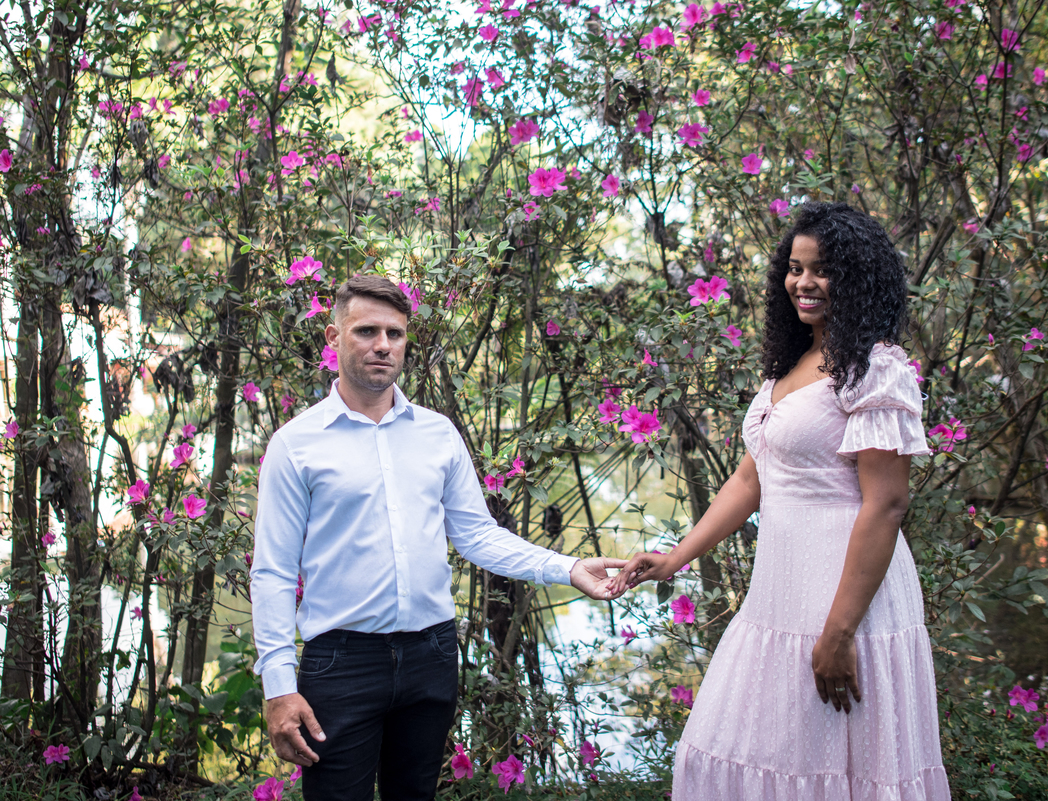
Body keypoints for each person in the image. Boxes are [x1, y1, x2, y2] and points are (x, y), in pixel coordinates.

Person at [610, 202, 952, 800]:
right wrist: (675, 558)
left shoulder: (875, 370)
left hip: (847, 596)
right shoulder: (791, 365)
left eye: (822, 270)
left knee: (835, 763)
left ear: (858, 277)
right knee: (730, 747)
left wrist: (840, 632)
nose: (804, 282)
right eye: (795, 268)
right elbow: (752, 480)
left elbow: (887, 506)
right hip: (780, 593)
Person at [250, 274, 624, 801]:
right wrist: (278, 687)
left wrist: (568, 567)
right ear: (333, 337)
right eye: (367, 331)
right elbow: (272, 571)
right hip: (341, 663)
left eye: (395, 333)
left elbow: (477, 535)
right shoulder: (296, 445)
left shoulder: (437, 433)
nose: (383, 345)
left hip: (432, 655)